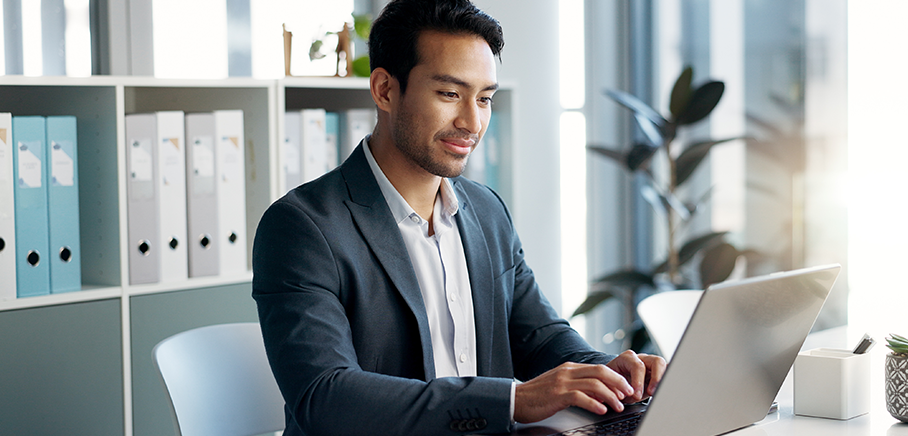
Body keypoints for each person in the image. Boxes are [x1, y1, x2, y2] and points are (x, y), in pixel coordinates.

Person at [252, 0, 666, 434]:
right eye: (450, 94)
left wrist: (613, 372)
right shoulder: (302, 227)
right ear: (385, 90)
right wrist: (513, 400)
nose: (472, 122)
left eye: (484, 98)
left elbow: (540, 338)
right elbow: (326, 397)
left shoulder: (486, 210)